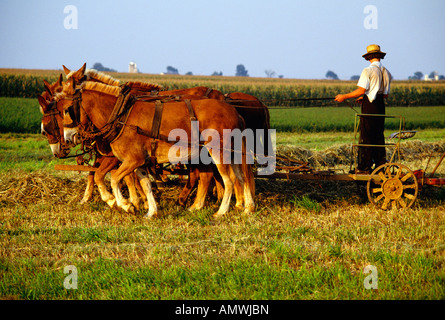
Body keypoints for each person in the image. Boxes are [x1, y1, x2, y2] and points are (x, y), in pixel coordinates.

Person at [335, 44, 392, 173]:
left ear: (369, 57)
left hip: (370, 106)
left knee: (366, 135)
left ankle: (364, 167)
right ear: (379, 56)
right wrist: (365, 97)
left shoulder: (368, 70)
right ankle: (380, 165)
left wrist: (344, 96)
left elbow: (361, 90)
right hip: (380, 105)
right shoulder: (386, 72)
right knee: (378, 135)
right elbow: (384, 94)